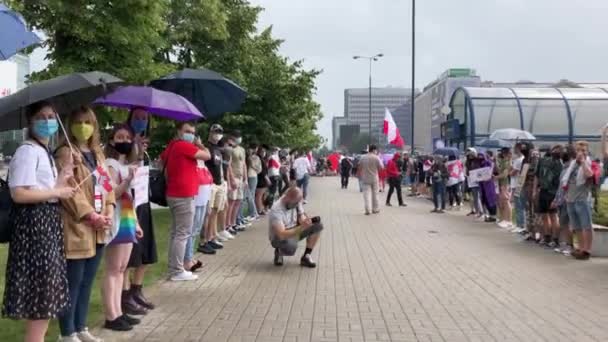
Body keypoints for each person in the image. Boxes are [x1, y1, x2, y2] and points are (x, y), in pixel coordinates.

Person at [2, 101, 75, 342]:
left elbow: (44, 189)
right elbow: (19, 193)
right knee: (40, 295)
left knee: (46, 295)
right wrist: (57, 193)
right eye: (41, 117)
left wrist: (62, 181)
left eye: (51, 116)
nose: (47, 122)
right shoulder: (27, 151)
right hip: (34, 226)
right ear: (30, 121)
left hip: (47, 222)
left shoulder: (43, 152)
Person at [56, 106, 114, 342]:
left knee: (88, 281)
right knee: (73, 282)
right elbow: (68, 192)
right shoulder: (65, 153)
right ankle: (67, 333)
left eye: (87, 122)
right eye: (78, 122)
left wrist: (108, 209)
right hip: (78, 227)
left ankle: (81, 327)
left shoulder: (97, 153)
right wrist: (91, 215)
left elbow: (107, 186)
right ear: (70, 125)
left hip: (99, 228)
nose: (83, 127)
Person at [102, 124, 144, 331]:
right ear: (111, 141)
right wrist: (127, 180)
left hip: (127, 217)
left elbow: (130, 198)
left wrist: (136, 222)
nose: (124, 141)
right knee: (113, 269)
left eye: (128, 137)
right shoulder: (109, 164)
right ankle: (111, 314)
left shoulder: (126, 165)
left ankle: (118, 311)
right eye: (119, 137)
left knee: (121, 269)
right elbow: (113, 193)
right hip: (116, 217)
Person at [160, 122, 210, 281]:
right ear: (179, 132)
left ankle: (174, 267)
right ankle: (177, 270)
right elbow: (207, 156)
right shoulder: (182, 145)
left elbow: (162, 160)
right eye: (187, 131)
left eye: (193, 132)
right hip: (183, 195)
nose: (191, 134)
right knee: (182, 234)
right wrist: (201, 145)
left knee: (177, 233)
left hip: (175, 193)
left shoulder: (172, 146)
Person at [122, 108, 157, 315]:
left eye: (144, 118)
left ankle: (137, 289)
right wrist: (133, 149)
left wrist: (141, 150)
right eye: (137, 118)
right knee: (130, 252)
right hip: (129, 201)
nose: (141, 121)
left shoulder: (143, 144)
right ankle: (125, 296)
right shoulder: (125, 141)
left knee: (146, 249)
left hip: (143, 200)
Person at [269, 187, 322, 268]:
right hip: (279, 236)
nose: (296, 205)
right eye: (293, 203)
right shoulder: (276, 209)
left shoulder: (296, 201)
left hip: (294, 229)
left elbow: (301, 215)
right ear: (286, 197)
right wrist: (302, 227)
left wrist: (305, 221)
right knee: (291, 248)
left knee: (318, 226)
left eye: (297, 203)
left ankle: (306, 256)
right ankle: (279, 251)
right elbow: (281, 234)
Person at [564, 141, 595, 260]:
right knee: (576, 226)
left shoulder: (588, 163)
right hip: (571, 199)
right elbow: (565, 181)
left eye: (583, 150)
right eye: (578, 150)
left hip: (582, 199)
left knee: (586, 225)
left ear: (587, 151)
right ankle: (581, 248)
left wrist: (582, 161)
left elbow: (589, 175)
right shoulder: (572, 164)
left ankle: (587, 250)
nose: (580, 153)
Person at [534, 145, 563, 247]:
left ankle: (555, 239)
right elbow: (537, 176)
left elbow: (561, 182)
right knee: (544, 215)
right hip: (543, 191)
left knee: (553, 216)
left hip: (553, 192)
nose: (556, 152)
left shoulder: (560, 164)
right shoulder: (542, 161)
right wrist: (535, 190)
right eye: (554, 150)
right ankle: (547, 237)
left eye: (558, 151)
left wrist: (558, 197)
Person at [552, 145, 575, 256]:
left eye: (565, 152)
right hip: (561, 200)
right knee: (563, 223)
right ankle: (565, 244)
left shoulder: (572, 167)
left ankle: (570, 246)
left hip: (568, 199)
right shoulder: (564, 168)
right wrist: (556, 199)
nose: (562, 155)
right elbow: (560, 186)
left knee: (566, 224)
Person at [226, 131, 248, 233]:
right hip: (234, 177)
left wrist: (246, 179)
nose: (238, 138)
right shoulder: (230, 148)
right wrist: (231, 179)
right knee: (231, 201)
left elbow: (244, 164)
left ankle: (233, 223)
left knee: (238, 201)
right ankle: (227, 225)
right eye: (236, 136)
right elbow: (228, 165)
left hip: (240, 178)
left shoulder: (242, 149)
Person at [357, 145, 383, 215]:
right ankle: (375, 209)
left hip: (365, 178)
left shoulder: (363, 157)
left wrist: (359, 175)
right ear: (374, 150)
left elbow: (359, 167)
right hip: (374, 178)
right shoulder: (376, 158)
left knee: (366, 194)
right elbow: (381, 168)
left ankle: (367, 210)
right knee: (375, 194)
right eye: (376, 150)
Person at [510, 143, 526, 233]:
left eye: (515, 148)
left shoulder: (520, 160)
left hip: (518, 185)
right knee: (516, 205)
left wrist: (511, 170)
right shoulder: (516, 160)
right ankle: (518, 224)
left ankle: (521, 224)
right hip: (514, 184)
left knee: (519, 205)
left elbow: (513, 172)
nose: (513, 150)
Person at [496, 147, 513, 228]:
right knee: (502, 202)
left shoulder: (508, 162)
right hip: (501, 183)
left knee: (506, 202)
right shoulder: (503, 161)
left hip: (505, 183)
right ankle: (503, 219)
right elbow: (500, 171)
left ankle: (508, 220)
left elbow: (505, 174)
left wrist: (496, 177)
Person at [478, 152, 498, 222]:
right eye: (479, 156)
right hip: (482, 185)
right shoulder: (480, 164)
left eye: (481, 156)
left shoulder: (489, 163)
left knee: (491, 200)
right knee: (485, 200)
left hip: (489, 184)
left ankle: (493, 216)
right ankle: (490, 215)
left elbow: (493, 170)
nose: (480, 158)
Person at [243, 144, 261, 221]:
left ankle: (254, 213)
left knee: (250, 195)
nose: (249, 150)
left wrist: (251, 162)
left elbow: (259, 169)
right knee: (250, 195)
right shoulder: (246, 157)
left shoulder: (255, 158)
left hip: (252, 176)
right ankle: (252, 213)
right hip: (248, 176)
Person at [465, 148, 483, 217]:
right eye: (468, 154)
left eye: (470, 153)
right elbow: (467, 171)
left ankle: (481, 211)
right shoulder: (468, 162)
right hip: (472, 180)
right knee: (475, 196)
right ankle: (477, 211)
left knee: (479, 196)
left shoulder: (478, 160)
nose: (469, 155)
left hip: (478, 180)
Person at [255, 146, 270, 215]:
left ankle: (261, 208)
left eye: (264, 152)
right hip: (261, 179)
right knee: (259, 195)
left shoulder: (262, 159)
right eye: (262, 151)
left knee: (261, 195)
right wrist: (267, 178)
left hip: (263, 179)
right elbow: (262, 171)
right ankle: (260, 210)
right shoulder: (259, 159)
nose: (263, 153)